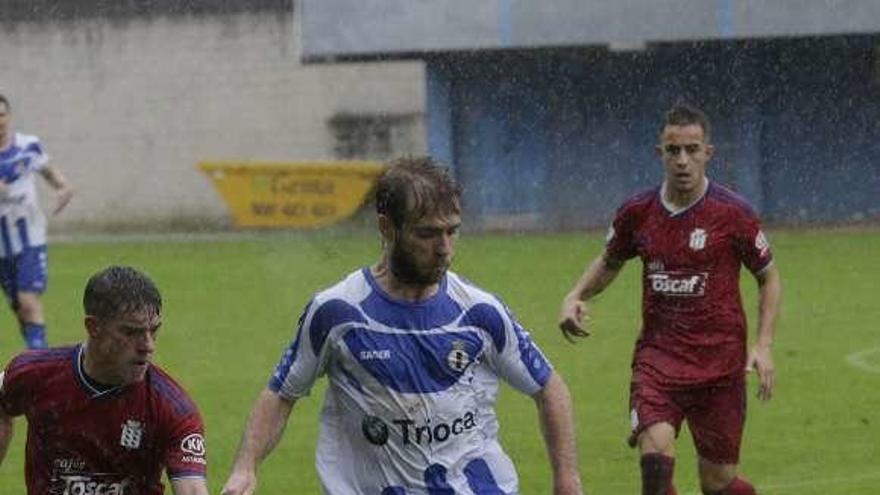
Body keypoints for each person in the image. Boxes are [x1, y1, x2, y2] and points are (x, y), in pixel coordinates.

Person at [222, 156, 583, 495]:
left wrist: (567, 480)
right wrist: (246, 466)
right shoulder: (338, 312)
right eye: (427, 234)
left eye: (452, 231)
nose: (444, 248)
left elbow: (549, 388)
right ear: (387, 227)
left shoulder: (480, 312)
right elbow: (282, 393)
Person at [559, 104, 782, 495]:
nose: (683, 160)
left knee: (719, 483)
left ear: (708, 153)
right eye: (673, 150)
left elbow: (768, 277)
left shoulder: (734, 214)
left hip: (720, 366)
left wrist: (763, 345)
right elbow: (610, 261)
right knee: (655, 461)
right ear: (658, 152)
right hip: (658, 362)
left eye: (692, 149)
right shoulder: (638, 212)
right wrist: (576, 294)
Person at [0, 265, 209, 495]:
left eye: (153, 331)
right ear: (93, 327)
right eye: (131, 332)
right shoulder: (35, 374)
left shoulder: (171, 408)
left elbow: (193, 490)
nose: (148, 346)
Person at [0, 93, 74, 349]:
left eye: (2, 115)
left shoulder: (27, 145)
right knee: (21, 310)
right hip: (2, 248)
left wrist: (62, 186)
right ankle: (36, 358)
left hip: (30, 237)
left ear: (8, 116)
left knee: (29, 301)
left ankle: (39, 369)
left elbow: (47, 170)